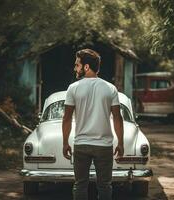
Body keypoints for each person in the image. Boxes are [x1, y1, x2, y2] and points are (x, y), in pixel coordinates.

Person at [62, 48, 124, 200]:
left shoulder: (73, 88)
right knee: (105, 186)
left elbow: (67, 118)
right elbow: (117, 118)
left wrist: (65, 143)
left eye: (77, 64)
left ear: (86, 67)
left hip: (81, 145)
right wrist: (120, 143)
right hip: (104, 146)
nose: (75, 68)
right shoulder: (110, 88)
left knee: (80, 185)